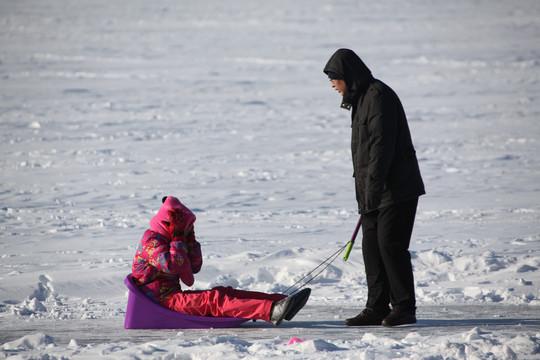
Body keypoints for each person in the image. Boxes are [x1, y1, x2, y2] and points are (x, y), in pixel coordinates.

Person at [323, 49, 425, 327]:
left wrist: (372, 192)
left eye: (334, 79)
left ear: (348, 76)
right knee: (371, 248)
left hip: (397, 188)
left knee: (390, 245)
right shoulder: (360, 100)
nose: (332, 85)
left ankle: (404, 307)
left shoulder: (379, 97)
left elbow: (381, 149)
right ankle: (377, 307)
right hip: (374, 190)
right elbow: (364, 152)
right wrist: (367, 193)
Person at [131, 196, 310, 327]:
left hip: (171, 297)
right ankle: (270, 310)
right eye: (184, 227)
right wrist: (178, 237)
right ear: (169, 225)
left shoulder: (170, 240)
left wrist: (189, 239)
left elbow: (194, 268)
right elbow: (172, 266)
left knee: (224, 292)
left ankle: (281, 302)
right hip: (161, 301)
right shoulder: (151, 241)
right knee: (215, 300)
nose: (184, 231)